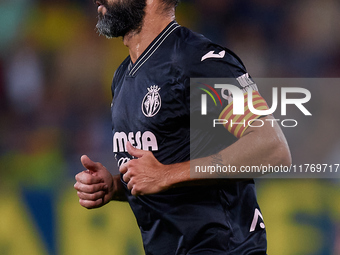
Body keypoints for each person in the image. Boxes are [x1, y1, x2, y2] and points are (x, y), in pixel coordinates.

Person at [74, 0, 292, 254]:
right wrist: (115, 186)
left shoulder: (197, 61)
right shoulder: (123, 75)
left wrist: (167, 175)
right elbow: (162, 171)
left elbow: (271, 148)